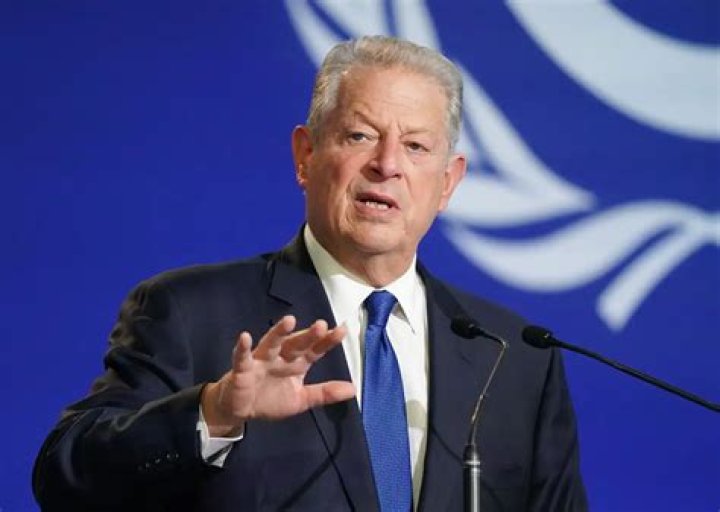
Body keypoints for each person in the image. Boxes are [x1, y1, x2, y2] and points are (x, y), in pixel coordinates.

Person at [33, 36, 587, 511]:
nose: (387, 164)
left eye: (416, 146)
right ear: (306, 155)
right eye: (360, 135)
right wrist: (214, 412)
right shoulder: (190, 312)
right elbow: (66, 475)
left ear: (447, 183)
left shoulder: (514, 355)